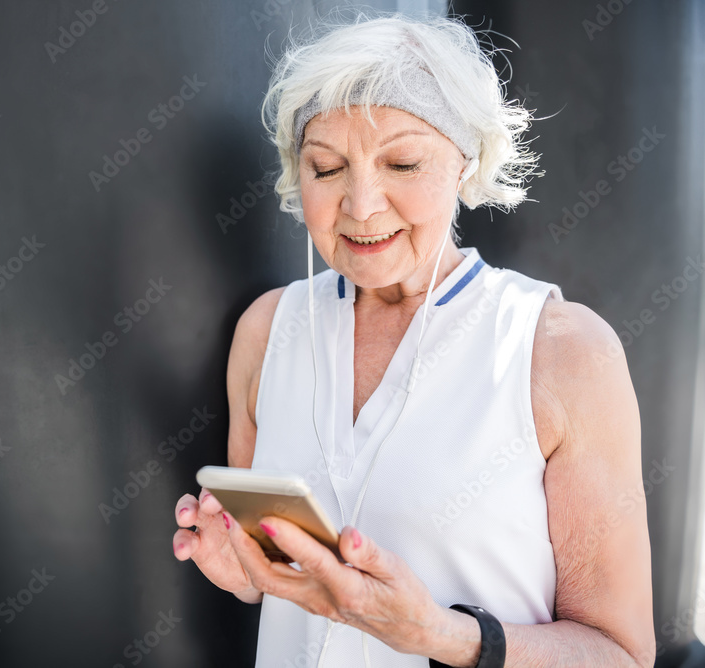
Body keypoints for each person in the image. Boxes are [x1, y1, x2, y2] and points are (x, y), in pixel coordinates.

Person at [172, 10, 655, 668]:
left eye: (402, 162)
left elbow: (621, 655)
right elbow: (271, 576)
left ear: (464, 162)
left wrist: (435, 633)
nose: (362, 204)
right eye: (326, 167)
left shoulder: (561, 349)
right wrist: (241, 570)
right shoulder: (267, 329)